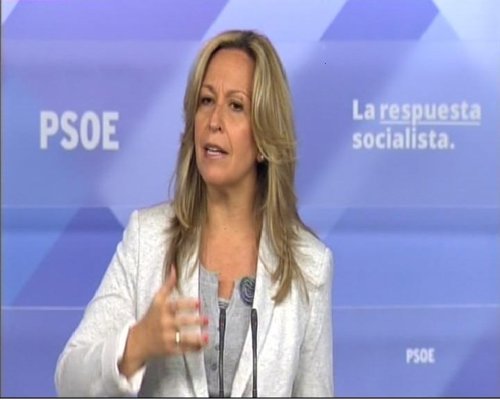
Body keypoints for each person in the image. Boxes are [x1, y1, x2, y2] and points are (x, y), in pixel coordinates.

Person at [55, 29, 334, 397]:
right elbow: (69, 381)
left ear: (264, 139)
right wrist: (137, 344)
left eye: (236, 106)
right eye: (206, 100)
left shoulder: (310, 266)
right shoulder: (147, 240)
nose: (214, 120)